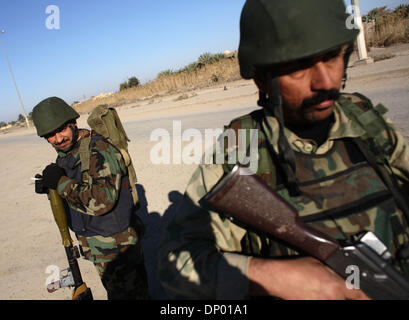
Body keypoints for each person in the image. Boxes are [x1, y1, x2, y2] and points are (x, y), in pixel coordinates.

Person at [158, 0, 409, 299]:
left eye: (331, 57)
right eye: (299, 67)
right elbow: (175, 263)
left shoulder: (365, 118)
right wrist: (269, 275)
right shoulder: (242, 146)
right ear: (262, 79)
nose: (325, 81)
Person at [32, 97, 150, 300]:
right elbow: (77, 185)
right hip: (98, 245)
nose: (58, 139)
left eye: (62, 130)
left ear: (73, 123)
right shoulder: (68, 152)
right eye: (50, 135)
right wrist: (49, 186)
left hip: (117, 248)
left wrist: (59, 183)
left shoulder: (99, 150)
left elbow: (102, 200)